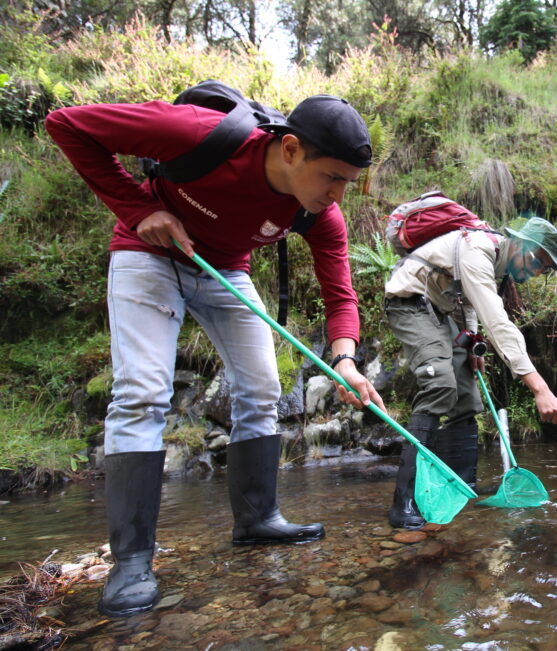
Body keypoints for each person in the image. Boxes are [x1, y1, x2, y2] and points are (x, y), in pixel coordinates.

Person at [44, 94, 386, 618]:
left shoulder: (321, 216)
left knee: (263, 388)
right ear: (291, 149)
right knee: (143, 392)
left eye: (349, 183)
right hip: (148, 258)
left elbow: (340, 295)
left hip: (226, 271)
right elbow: (67, 124)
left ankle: (257, 519)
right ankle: (132, 562)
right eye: (333, 177)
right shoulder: (199, 132)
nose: (339, 195)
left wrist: (344, 360)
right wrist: (140, 211)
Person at [384, 216, 557, 529]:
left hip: (443, 313)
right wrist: (540, 388)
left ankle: (464, 486)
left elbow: (468, 301)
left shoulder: (497, 264)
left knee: (468, 396)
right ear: (519, 245)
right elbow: (498, 321)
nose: (538, 271)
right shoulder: (479, 250)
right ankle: (404, 501)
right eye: (538, 261)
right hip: (410, 302)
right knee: (441, 384)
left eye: (545, 268)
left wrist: (472, 343)